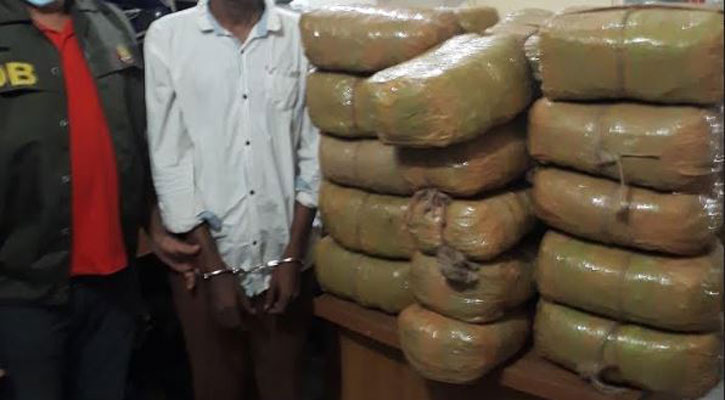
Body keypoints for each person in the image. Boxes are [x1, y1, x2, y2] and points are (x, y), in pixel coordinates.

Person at [0, 0, 197, 398]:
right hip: (23, 291)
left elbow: (139, 139)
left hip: (112, 285)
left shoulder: (110, 23)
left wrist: (154, 225)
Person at [143, 0, 320, 398]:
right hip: (203, 262)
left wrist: (292, 255)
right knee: (216, 387)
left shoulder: (299, 34)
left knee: (284, 386)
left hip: (285, 260)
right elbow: (170, 157)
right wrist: (215, 270)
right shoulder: (169, 36)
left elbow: (313, 149)